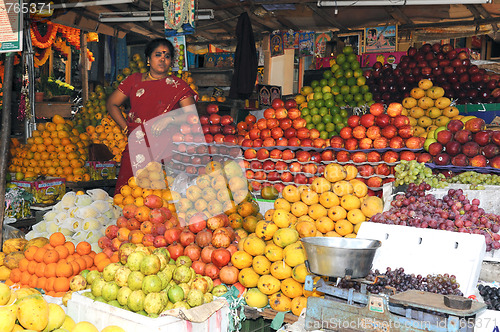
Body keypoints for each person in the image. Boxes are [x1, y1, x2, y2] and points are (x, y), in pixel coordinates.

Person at [107, 38, 197, 195]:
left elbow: (192, 115)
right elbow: (112, 104)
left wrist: (170, 119)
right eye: (158, 55)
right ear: (148, 59)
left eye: (167, 56)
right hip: (137, 144)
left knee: (160, 198)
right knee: (127, 194)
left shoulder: (178, 86)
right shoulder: (133, 80)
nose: (162, 59)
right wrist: (125, 127)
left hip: (167, 148)